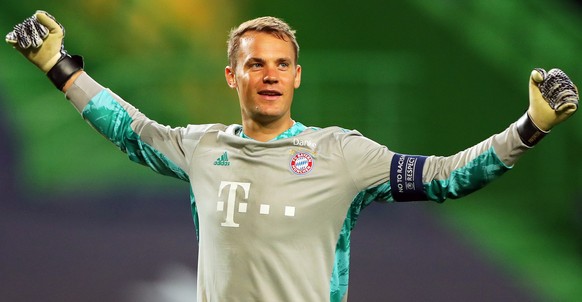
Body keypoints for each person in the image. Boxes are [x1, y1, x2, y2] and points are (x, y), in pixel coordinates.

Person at [5, 10, 578, 302]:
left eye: (281, 64)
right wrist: (61, 68)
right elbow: (131, 129)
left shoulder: (344, 154)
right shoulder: (202, 147)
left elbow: (447, 178)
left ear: (298, 77)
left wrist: (530, 127)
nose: (270, 75)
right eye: (256, 63)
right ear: (232, 75)